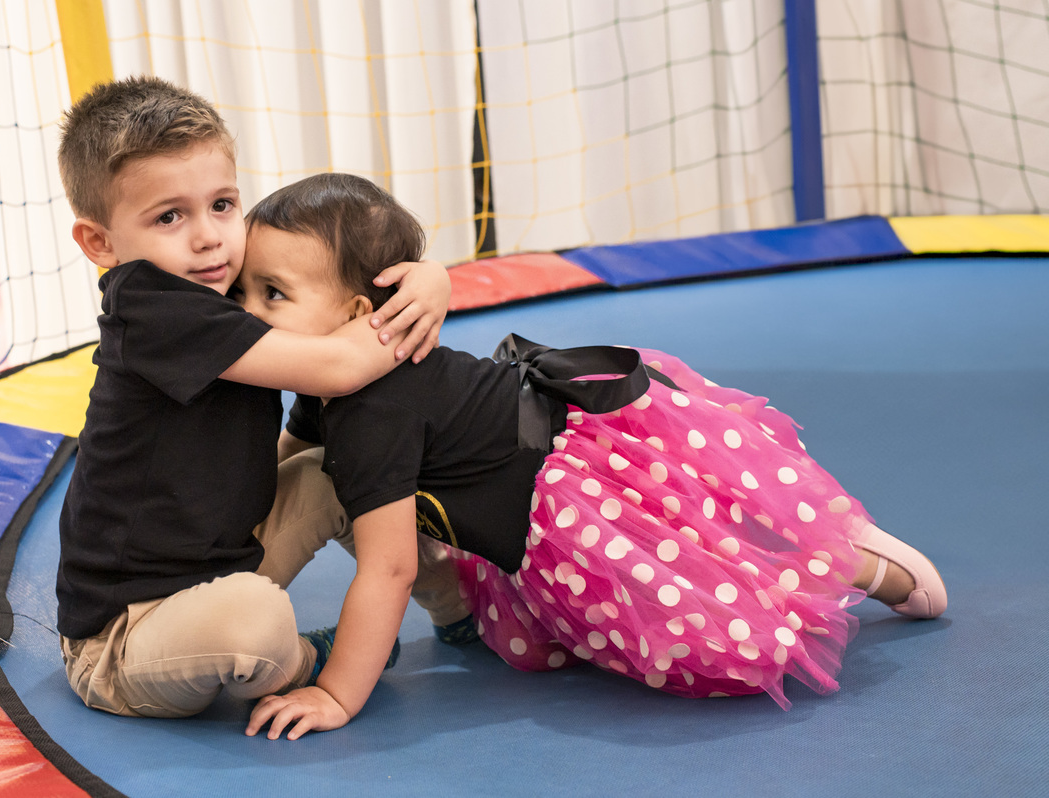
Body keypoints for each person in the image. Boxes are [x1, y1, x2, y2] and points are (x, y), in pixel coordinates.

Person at [237, 173, 948, 740]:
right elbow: (290, 459)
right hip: (522, 494)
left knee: (698, 619)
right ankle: (816, 552)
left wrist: (336, 694)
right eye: (242, 290)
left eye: (272, 295)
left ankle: (847, 562)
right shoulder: (332, 381)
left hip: (568, 490)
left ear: (363, 315)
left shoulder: (373, 412)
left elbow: (388, 565)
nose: (243, 312)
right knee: (676, 556)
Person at [53, 76, 469, 723]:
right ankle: (309, 660)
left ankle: (463, 608)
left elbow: (328, 285)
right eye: (170, 216)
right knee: (253, 619)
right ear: (101, 243)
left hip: (227, 556)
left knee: (346, 480)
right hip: (128, 635)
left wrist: (426, 272)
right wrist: (432, 290)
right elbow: (337, 366)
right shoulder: (149, 304)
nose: (209, 237)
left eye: (222, 205)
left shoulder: (227, 287)